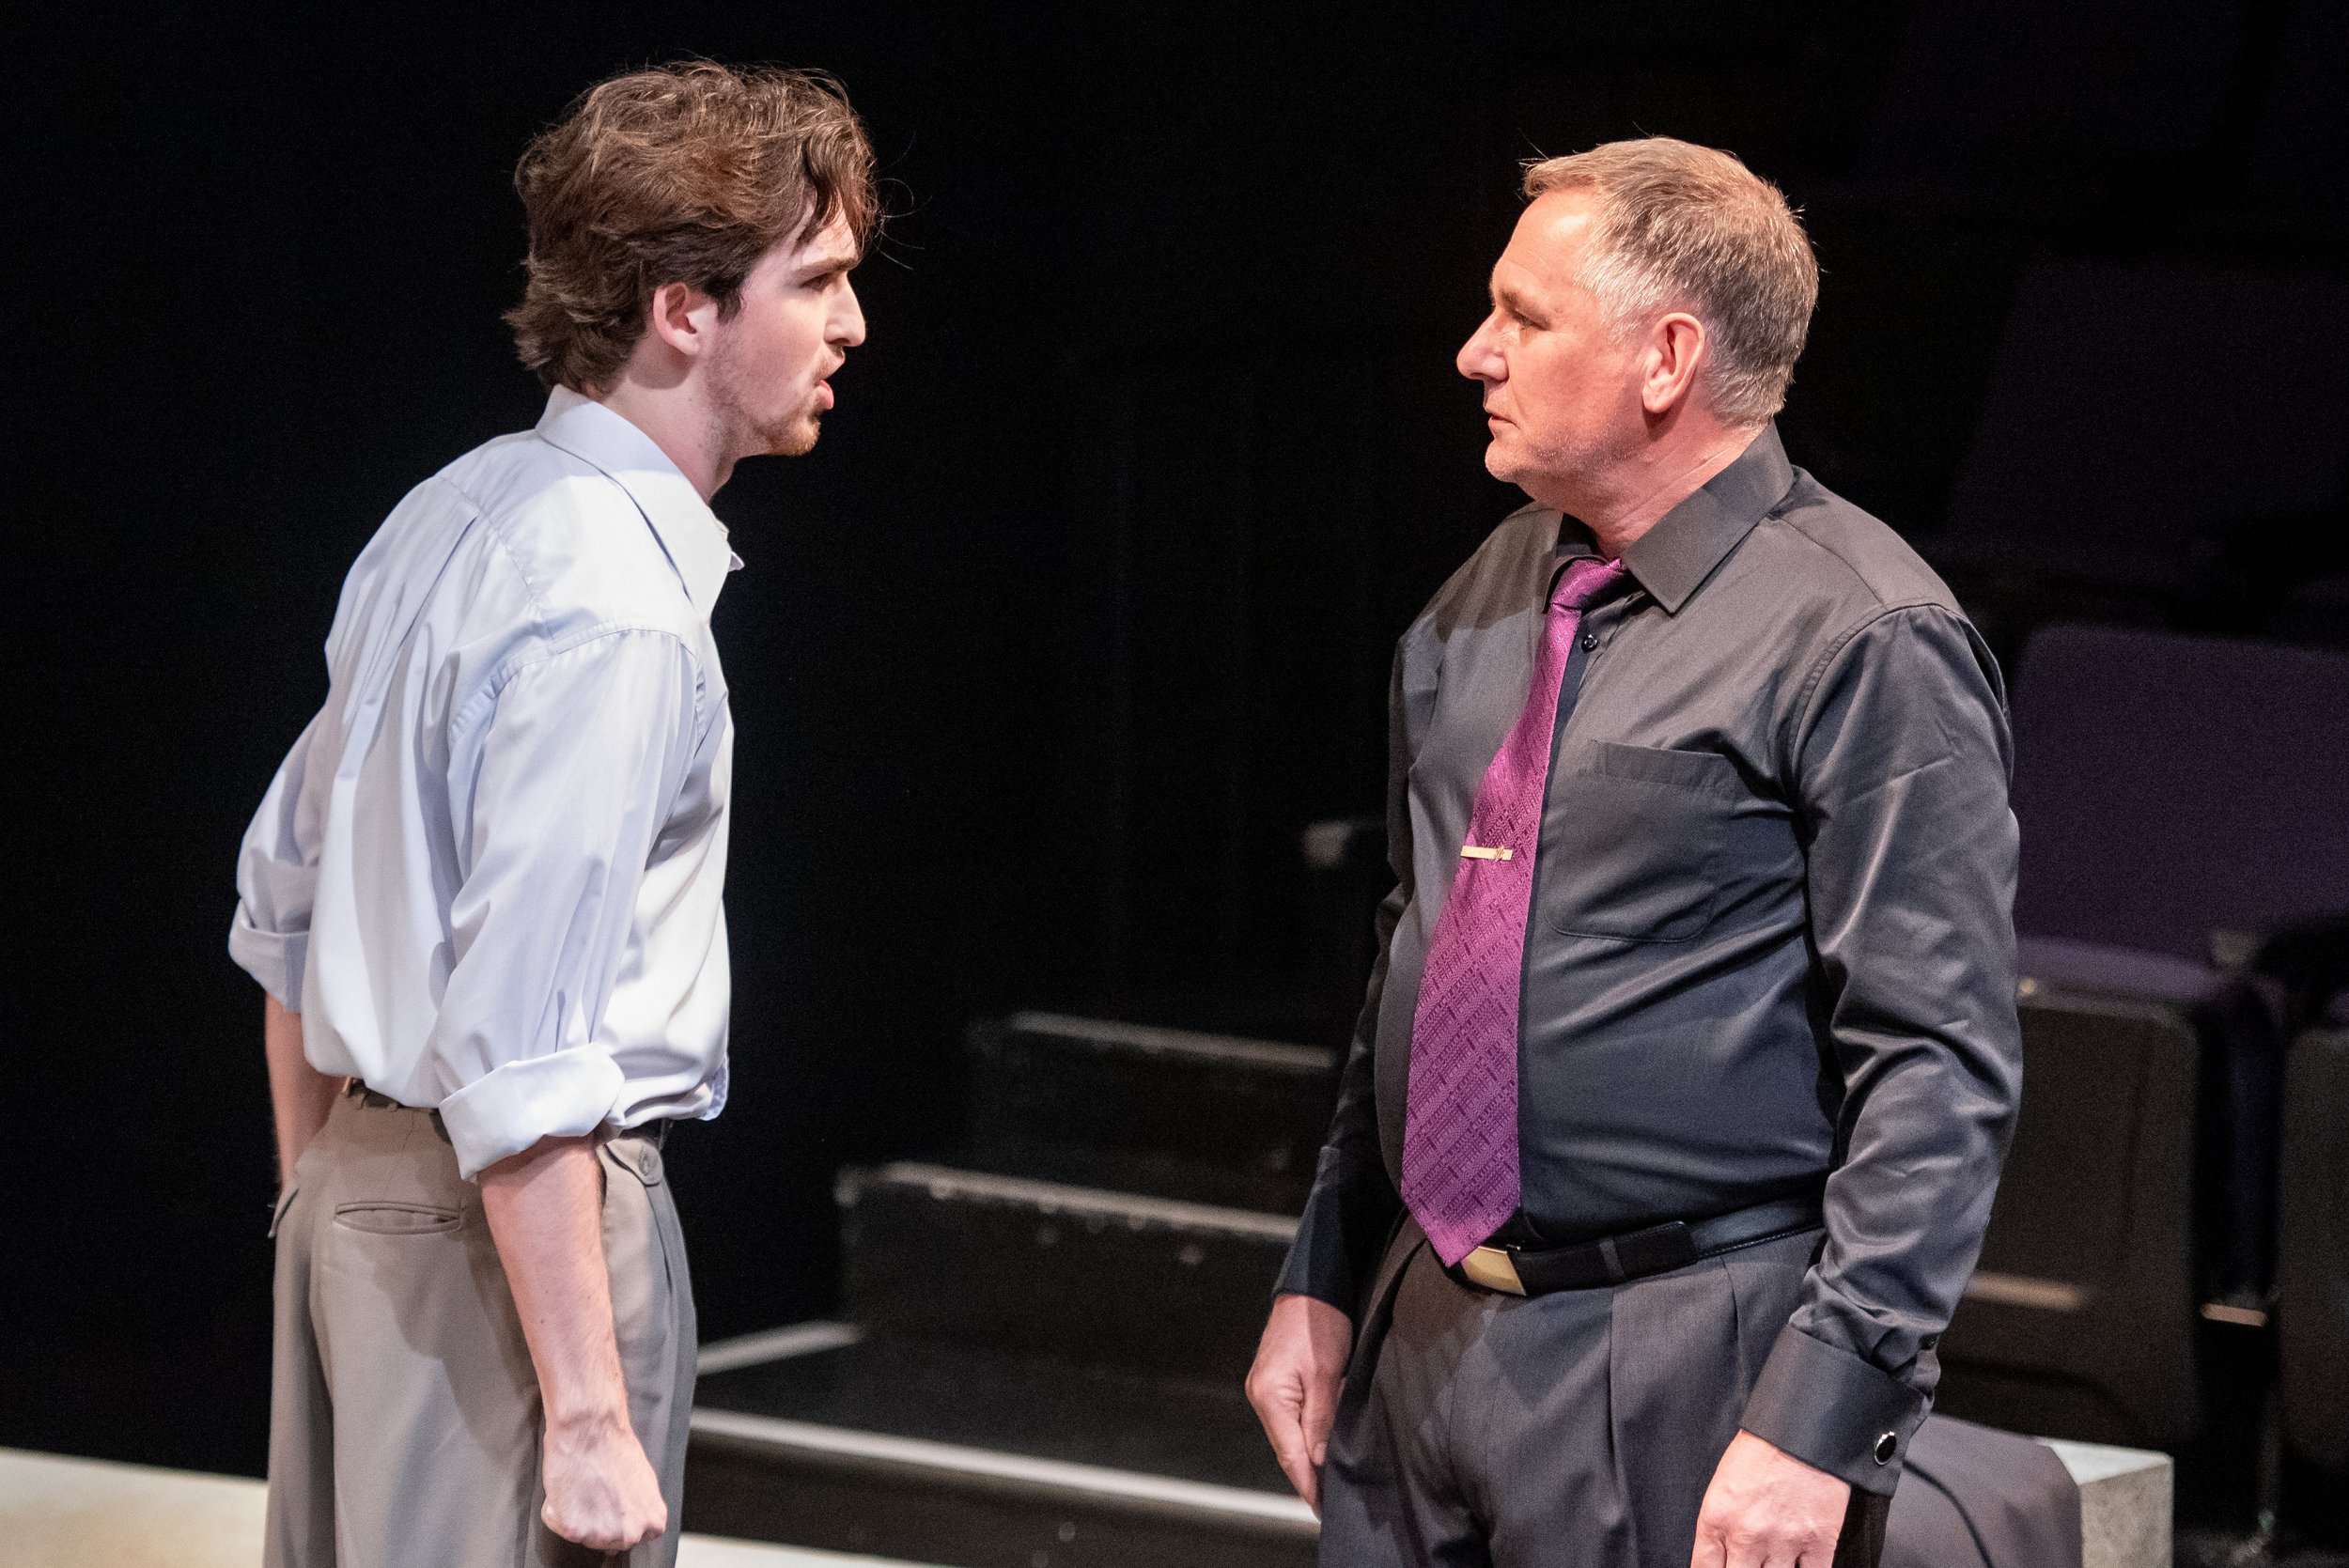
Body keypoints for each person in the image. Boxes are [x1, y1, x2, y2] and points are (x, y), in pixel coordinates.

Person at [1245, 137, 2022, 1568]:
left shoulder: (1861, 636)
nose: (1478, 353)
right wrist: (1326, 1269)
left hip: (1684, 1354)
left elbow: (1937, 1067)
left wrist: (1819, 1416)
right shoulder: (1487, 588)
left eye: (1524, 318)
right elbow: (1421, 959)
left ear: (1666, 358)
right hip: (1424, 1334)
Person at [227, 62, 875, 1568]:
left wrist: (324, 1202)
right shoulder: (618, 610)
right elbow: (524, 1046)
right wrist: (585, 1407)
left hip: (361, 1205)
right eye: (821, 279)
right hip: (510, 1244)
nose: (850, 325)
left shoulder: (451, 510)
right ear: (683, 307)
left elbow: (285, 915)